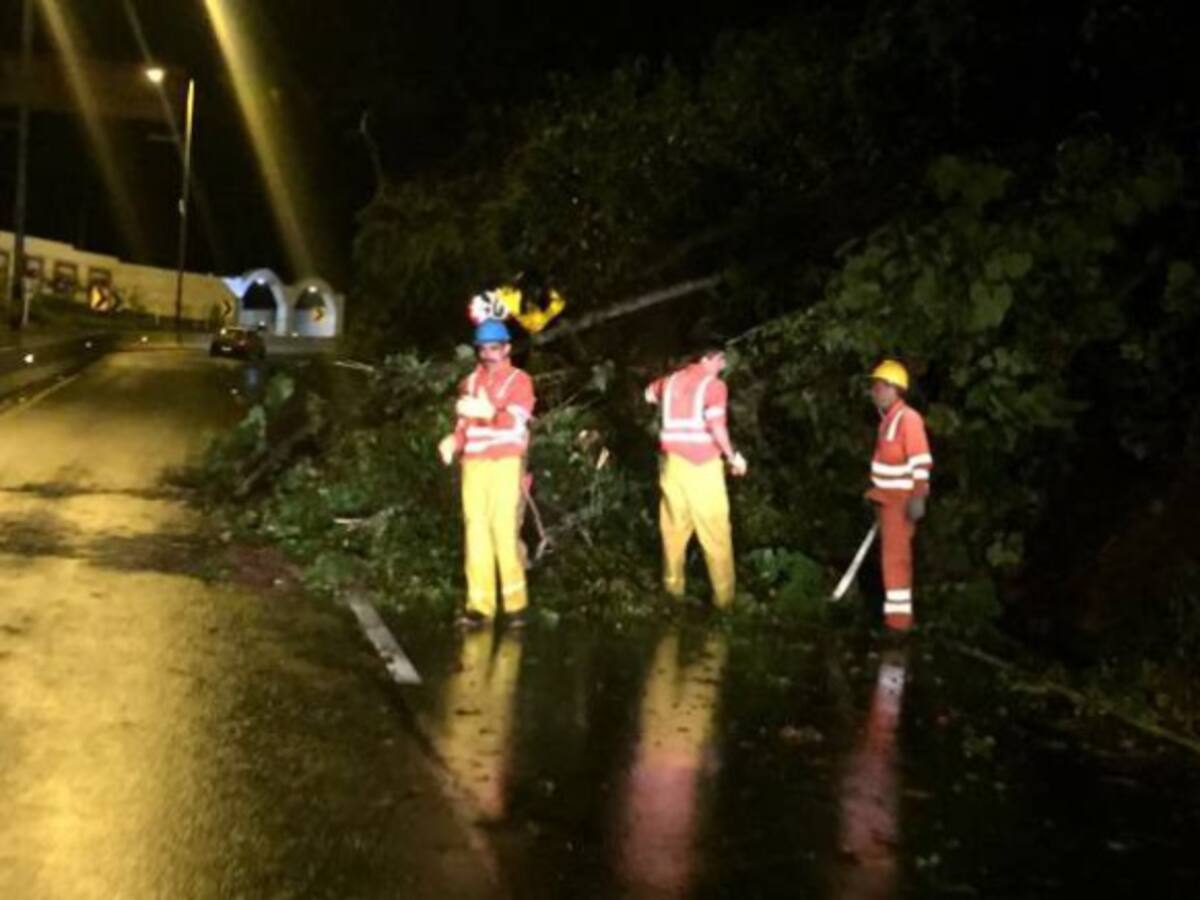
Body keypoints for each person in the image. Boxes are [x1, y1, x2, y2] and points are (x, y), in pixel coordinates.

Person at [438, 319, 536, 627]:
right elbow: (465, 425)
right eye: (483, 349)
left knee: (503, 532)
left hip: (505, 463)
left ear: (506, 348)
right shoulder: (470, 382)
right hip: (474, 465)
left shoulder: (519, 381)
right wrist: (454, 440)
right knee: (476, 533)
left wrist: (491, 413)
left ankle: (515, 606)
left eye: (494, 348)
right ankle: (479, 606)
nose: (488, 354)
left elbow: (517, 420)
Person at [644, 348, 747, 609]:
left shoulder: (670, 382)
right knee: (716, 535)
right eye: (720, 358)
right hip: (703, 468)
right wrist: (733, 457)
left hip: (673, 467)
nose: (723, 364)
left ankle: (672, 595)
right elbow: (717, 427)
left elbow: (647, 395)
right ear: (706, 358)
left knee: (673, 533)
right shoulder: (714, 386)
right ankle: (725, 602)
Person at [865, 360, 933, 631]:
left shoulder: (908, 419)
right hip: (886, 501)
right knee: (889, 562)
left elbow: (921, 462)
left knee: (896, 563)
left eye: (878, 386)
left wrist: (918, 497)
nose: (874, 391)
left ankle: (898, 625)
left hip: (900, 503)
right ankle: (894, 621)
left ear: (894, 389)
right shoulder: (888, 421)